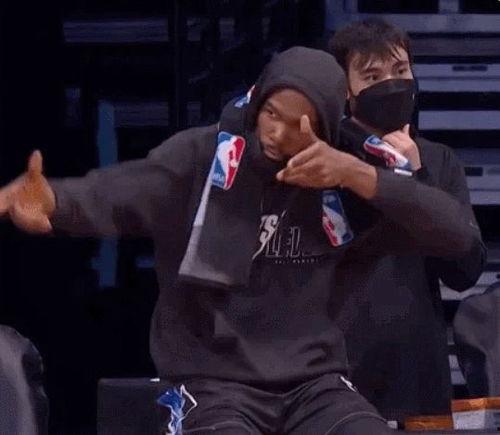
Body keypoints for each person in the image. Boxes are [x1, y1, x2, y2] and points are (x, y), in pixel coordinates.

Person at [0, 47, 396, 434]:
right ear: (257, 102)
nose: (276, 133)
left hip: (312, 384)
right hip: (212, 383)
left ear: (324, 130)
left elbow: (434, 225)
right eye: (271, 113)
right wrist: (56, 200)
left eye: (298, 124)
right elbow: (123, 192)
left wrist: (362, 175)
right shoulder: (201, 155)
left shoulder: (341, 172)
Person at [328, 19, 486, 423]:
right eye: (373, 76)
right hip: (339, 374)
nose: (391, 84)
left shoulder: (437, 161)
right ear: (346, 91)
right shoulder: (327, 161)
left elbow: (465, 271)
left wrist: (417, 178)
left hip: (418, 375)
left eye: (400, 71)